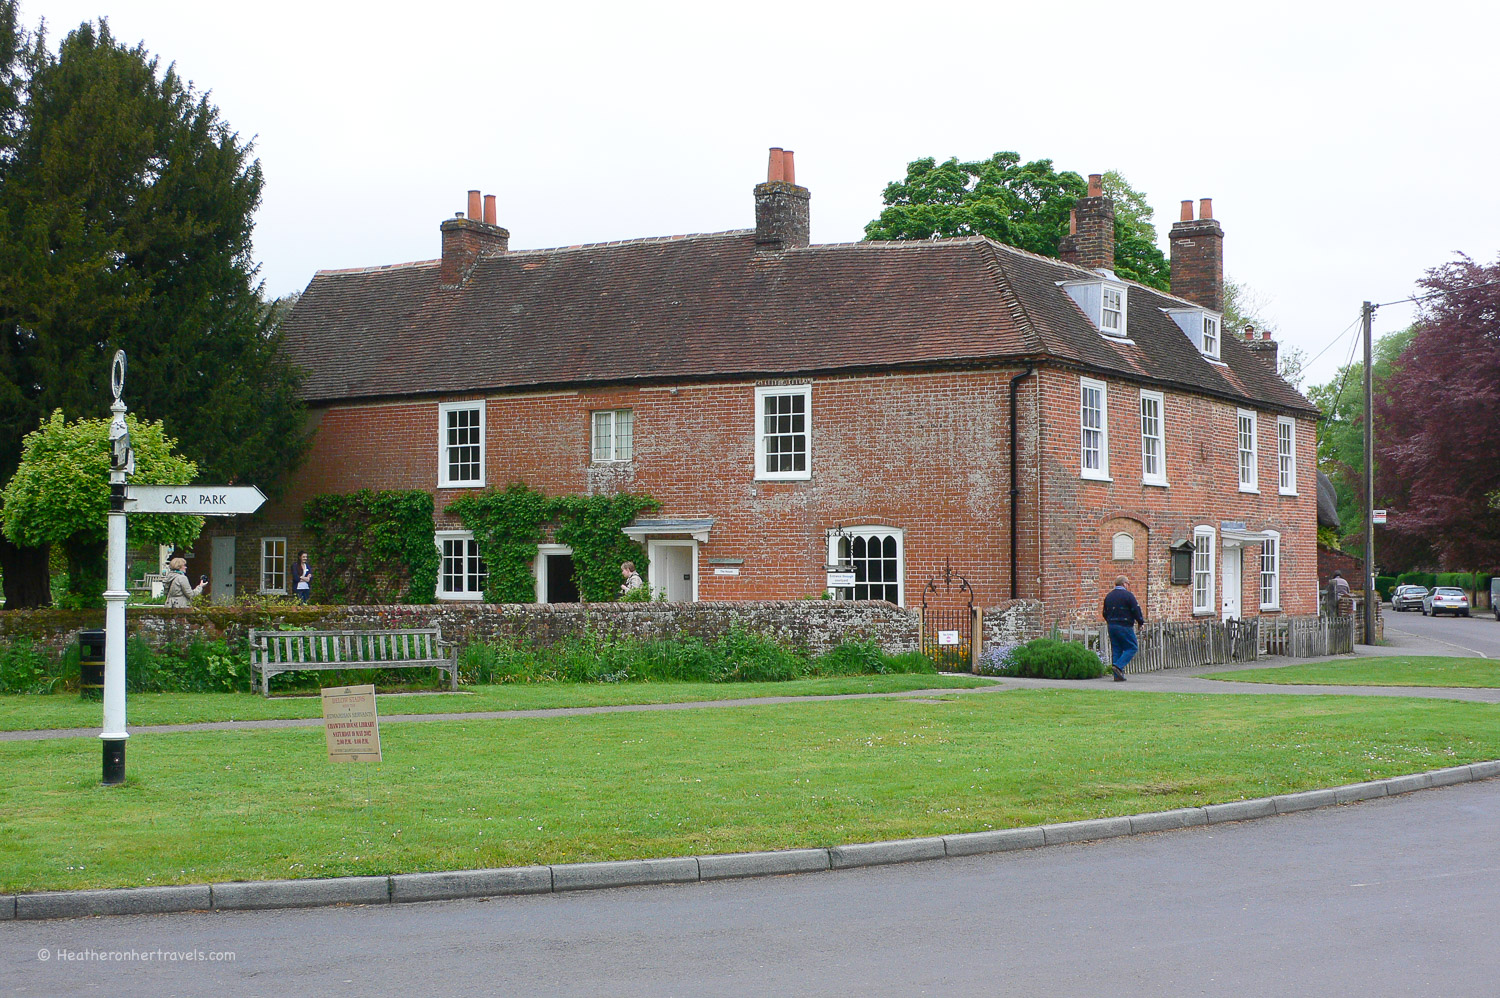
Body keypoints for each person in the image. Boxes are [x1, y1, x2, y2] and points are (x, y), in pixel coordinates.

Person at [1102, 574, 1144, 682]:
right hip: (1124, 625)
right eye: (1128, 584)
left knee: (1117, 649)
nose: (1128, 586)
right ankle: (1118, 666)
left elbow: (1104, 613)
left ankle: (1117, 676)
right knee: (1132, 647)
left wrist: (1110, 621)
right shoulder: (1128, 596)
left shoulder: (1109, 596)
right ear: (1124, 584)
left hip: (1111, 626)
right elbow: (1136, 610)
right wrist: (1140, 622)